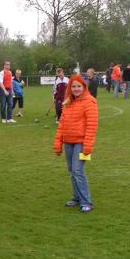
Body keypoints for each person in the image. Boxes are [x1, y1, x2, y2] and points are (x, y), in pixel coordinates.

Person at [54, 74, 98, 213]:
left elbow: (92, 125)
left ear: (84, 87)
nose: (76, 89)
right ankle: (76, 197)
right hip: (68, 141)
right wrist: (58, 142)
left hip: (81, 142)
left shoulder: (89, 102)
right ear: (70, 88)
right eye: (73, 86)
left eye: (79, 86)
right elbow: (61, 124)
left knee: (78, 171)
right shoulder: (67, 102)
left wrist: (88, 145)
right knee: (72, 172)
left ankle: (86, 202)